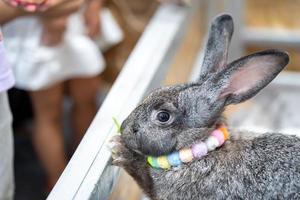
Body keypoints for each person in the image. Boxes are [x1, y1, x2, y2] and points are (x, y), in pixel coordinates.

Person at [3, 0, 105, 189]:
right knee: (49, 115)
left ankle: (90, 166)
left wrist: (94, 5)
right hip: (37, 29)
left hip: (75, 21)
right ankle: (59, 183)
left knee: (86, 100)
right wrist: (54, 18)